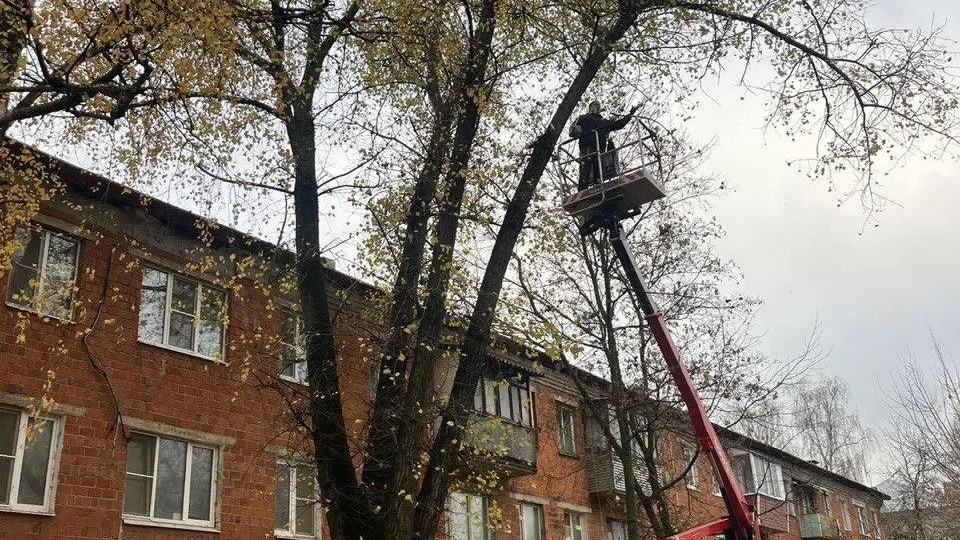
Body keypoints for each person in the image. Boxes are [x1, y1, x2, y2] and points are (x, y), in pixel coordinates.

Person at [569, 100, 638, 189]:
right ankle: (582, 188)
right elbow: (572, 130)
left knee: (598, 168)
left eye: (598, 105)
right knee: (585, 167)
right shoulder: (583, 118)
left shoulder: (603, 122)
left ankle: (598, 184)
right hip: (586, 146)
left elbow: (619, 124)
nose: (596, 106)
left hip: (598, 149)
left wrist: (630, 114)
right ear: (590, 108)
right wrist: (578, 132)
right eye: (594, 105)